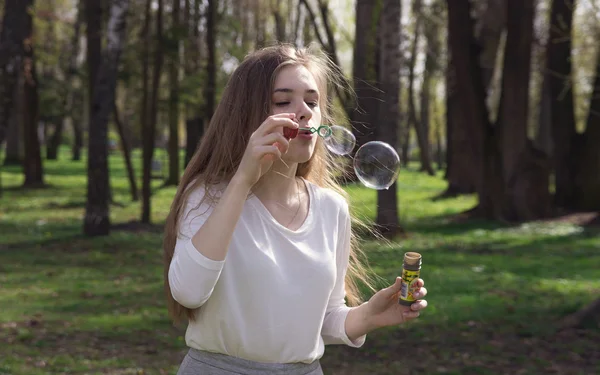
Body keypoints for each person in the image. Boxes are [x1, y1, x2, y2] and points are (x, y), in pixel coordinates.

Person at [163, 44, 428, 375]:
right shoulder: (207, 196)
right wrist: (243, 179)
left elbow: (323, 319)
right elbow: (188, 292)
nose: (303, 111)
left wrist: (368, 316)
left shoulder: (332, 209)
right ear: (247, 114)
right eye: (283, 101)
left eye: (312, 102)